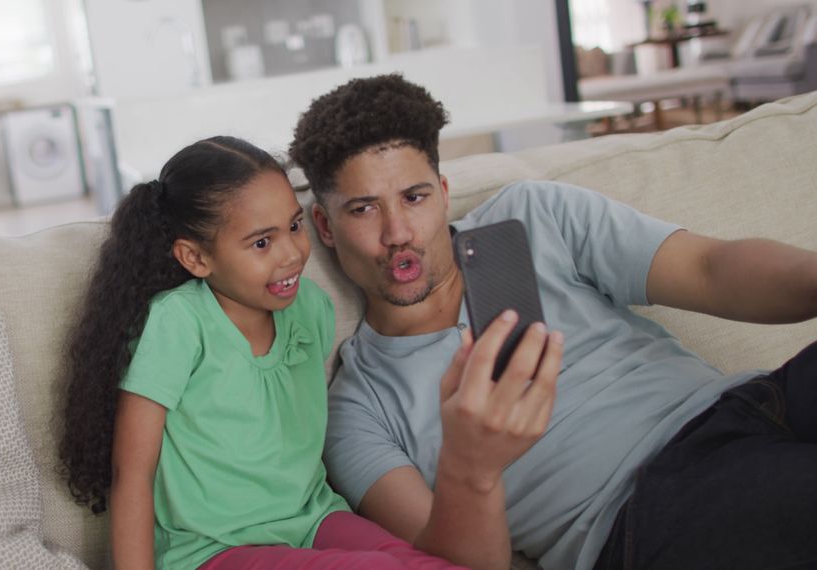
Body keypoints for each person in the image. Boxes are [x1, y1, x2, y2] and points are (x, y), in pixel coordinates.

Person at [287, 74, 817, 570]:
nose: (398, 231)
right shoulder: (358, 411)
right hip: (651, 506)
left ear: (444, 192)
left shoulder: (531, 217)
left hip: (756, 401)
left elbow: (709, 268)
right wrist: (472, 467)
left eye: (414, 197)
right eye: (363, 209)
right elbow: (456, 563)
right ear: (324, 227)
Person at [58, 136, 466, 569]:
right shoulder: (178, 323)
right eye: (261, 243)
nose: (292, 254)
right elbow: (132, 475)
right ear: (195, 257)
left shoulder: (311, 308)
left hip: (312, 520)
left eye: (293, 227)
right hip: (213, 549)